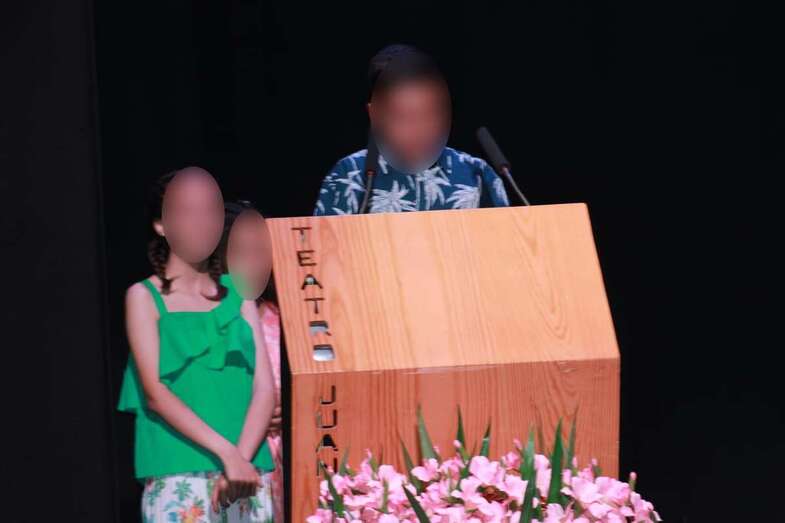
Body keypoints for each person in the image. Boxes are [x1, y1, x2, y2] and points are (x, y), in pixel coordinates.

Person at [118, 169, 276, 522]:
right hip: (179, 474)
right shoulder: (143, 297)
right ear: (161, 224)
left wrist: (241, 460)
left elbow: (265, 389)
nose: (201, 222)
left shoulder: (240, 295)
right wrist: (228, 454)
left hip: (246, 475)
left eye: (209, 211)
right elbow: (155, 393)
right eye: (187, 211)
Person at [315, 44, 510, 215]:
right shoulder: (348, 175)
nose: (420, 130)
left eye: (430, 113)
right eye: (403, 117)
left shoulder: (477, 175)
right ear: (375, 115)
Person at [222, 200, 284, 523]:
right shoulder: (207, 322)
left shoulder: (284, 319)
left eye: (261, 251)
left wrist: (290, 410)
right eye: (241, 252)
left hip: (283, 468)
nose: (253, 263)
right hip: (228, 465)